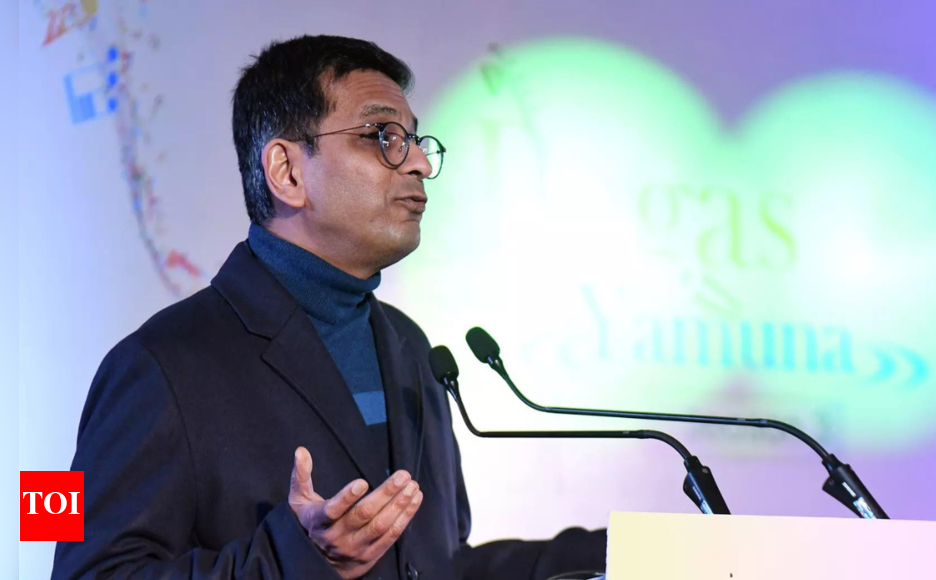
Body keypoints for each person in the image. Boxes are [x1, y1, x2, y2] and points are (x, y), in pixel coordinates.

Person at [51, 35, 606, 580]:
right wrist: (294, 560)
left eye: (415, 140)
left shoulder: (411, 345)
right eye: (382, 136)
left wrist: (622, 552)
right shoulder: (151, 363)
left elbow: (437, 565)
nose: (418, 162)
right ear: (287, 171)